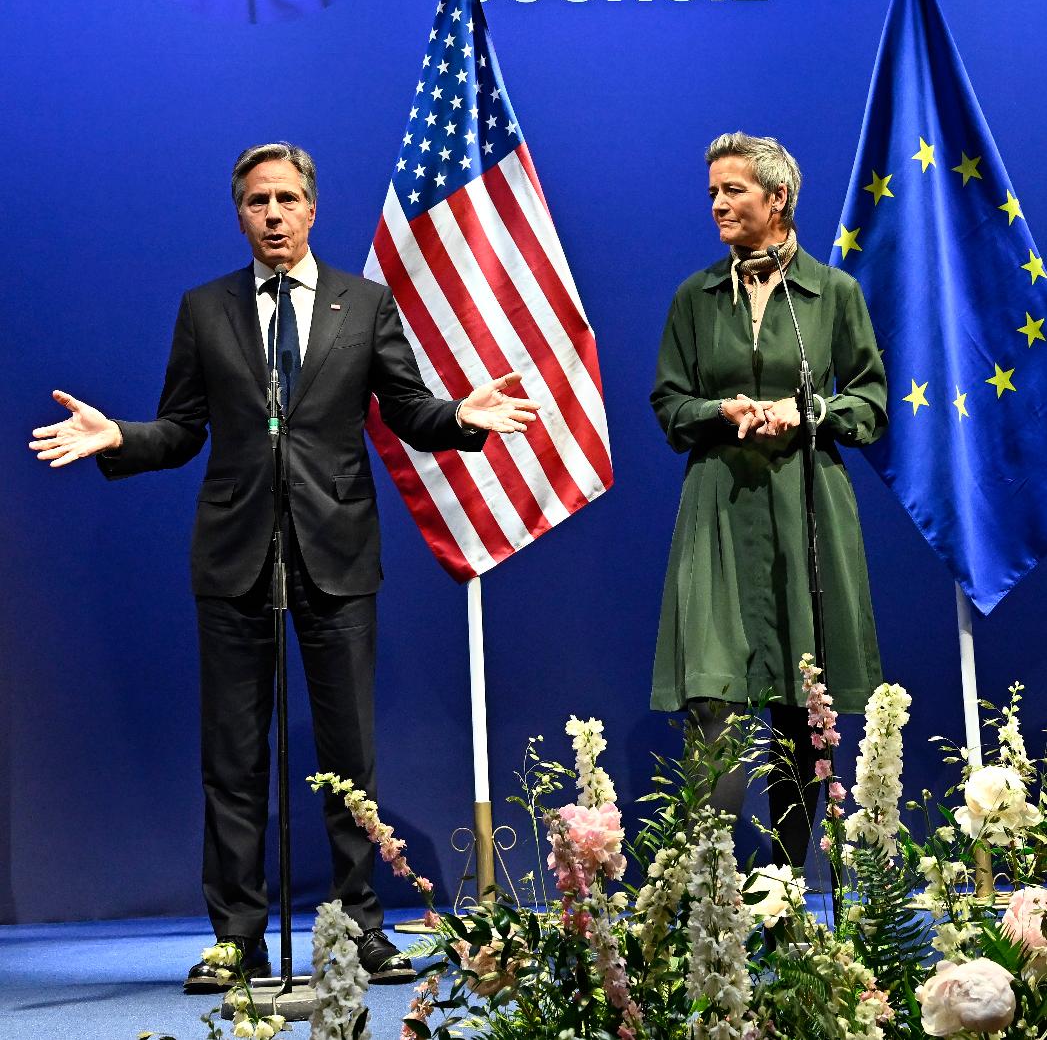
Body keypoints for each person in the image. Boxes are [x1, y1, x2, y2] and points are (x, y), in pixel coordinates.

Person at [29, 141, 540, 990]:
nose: (272, 213)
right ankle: (237, 937)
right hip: (234, 561)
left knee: (351, 756)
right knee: (231, 758)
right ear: (240, 213)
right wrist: (121, 436)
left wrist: (463, 414)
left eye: (287, 198)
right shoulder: (206, 308)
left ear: (312, 209)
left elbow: (410, 410)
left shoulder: (363, 303)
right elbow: (182, 427)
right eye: (257, 200)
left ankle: (353, 928)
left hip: (336, 558)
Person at [650, 131, 887, 871]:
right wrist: (720, 411)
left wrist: (805, 411)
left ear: (776, 198)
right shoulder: (694, 296)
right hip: (717, 511)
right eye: (713, 190)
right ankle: (711, 883)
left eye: (734, 190)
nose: (717, 203)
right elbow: (667, 401)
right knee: (711, 696)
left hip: (805, 510)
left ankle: (784, 882)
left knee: (798, 696)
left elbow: (871, 401)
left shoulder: (831, 293)